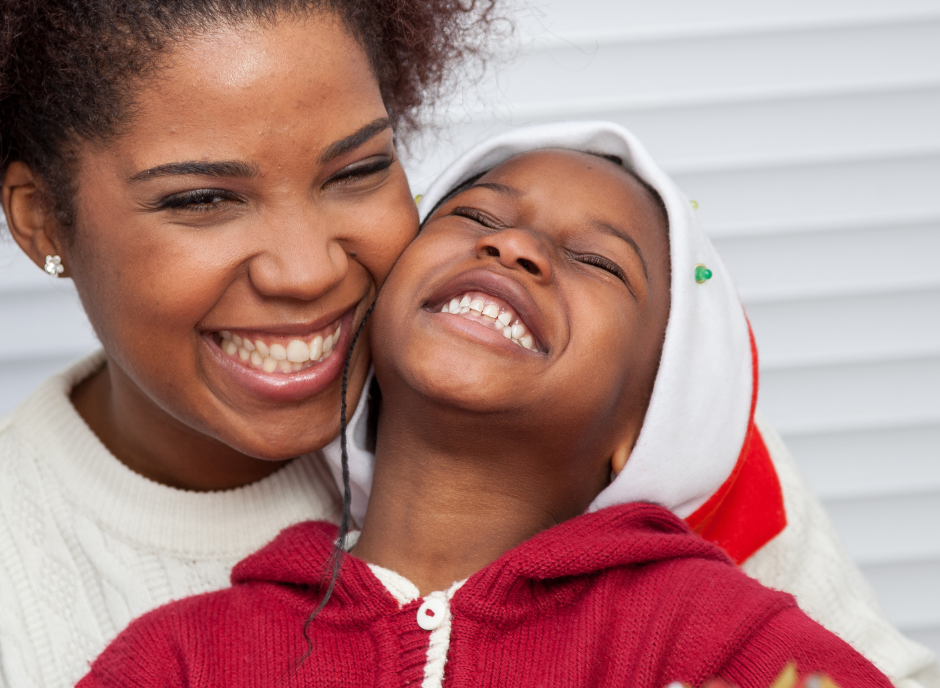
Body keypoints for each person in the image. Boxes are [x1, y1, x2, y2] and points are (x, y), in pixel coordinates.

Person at [78, 129, 895, 688]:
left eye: (597, 262)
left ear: (640, 426)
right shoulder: (184, 655)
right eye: (473, 216)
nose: (515, 246)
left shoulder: (713, 632)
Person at [0, 2, 497, 686]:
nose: (307, 271)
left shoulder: (521, 432)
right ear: (42, 221)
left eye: (357, 171)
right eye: (202, 199)